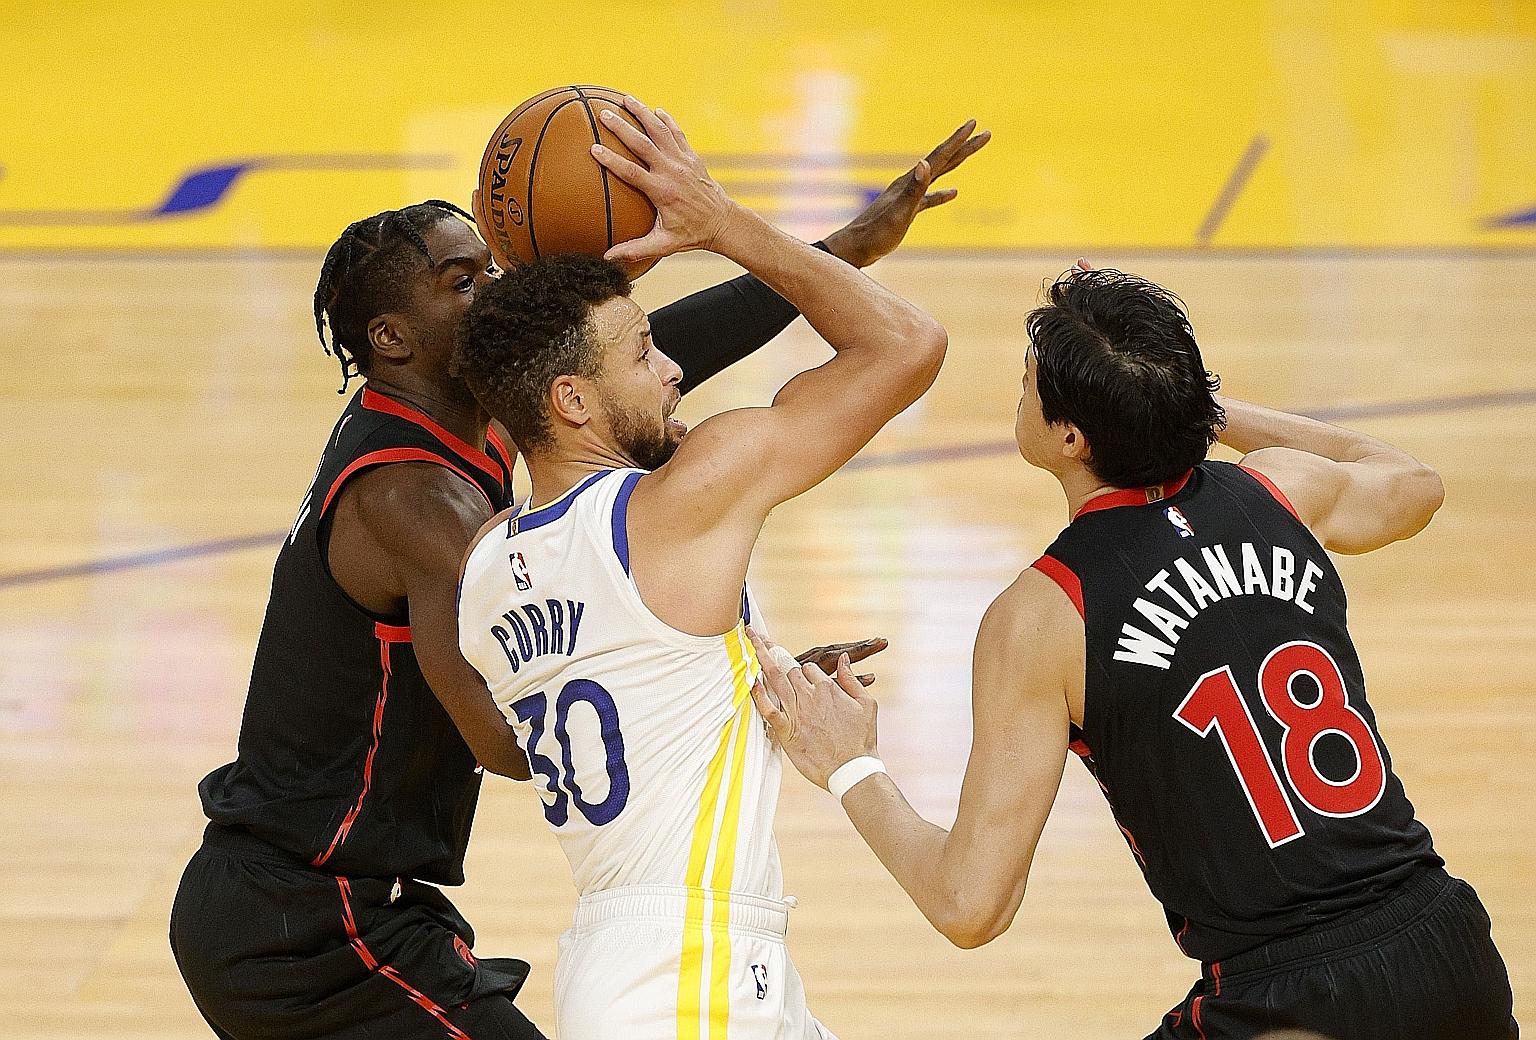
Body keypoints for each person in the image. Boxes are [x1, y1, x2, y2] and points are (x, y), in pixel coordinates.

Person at [169, 112, 986, 1040]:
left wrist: (841, 250)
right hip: (312, 919)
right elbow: (508, 742)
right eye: (462, 282)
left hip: (384, 909)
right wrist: (694, 669)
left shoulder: (465, 440)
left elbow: (633, 366)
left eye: (488, 268)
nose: (490, 290)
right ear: (393, 338)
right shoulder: (426, 506)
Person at [749, 264, 1517, 1040]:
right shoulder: (1281, 489)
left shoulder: (1043, 616)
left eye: (1026, 386)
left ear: (1070, 437)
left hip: (1285, 1003)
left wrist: (849, 765)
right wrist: (1195, 410)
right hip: (1447, 947)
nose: (1018, 396)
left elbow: (970, 906)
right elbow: (1411, 482)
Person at [453, 96, 953, 1039]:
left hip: (626, 960)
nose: (674, 371)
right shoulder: (679, 505)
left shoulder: (484, 569)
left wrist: (744, 663)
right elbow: (907, 344)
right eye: (645, 353)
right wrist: (716, 221)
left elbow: (631, 670)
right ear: (571, 398)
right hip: (693, 973)